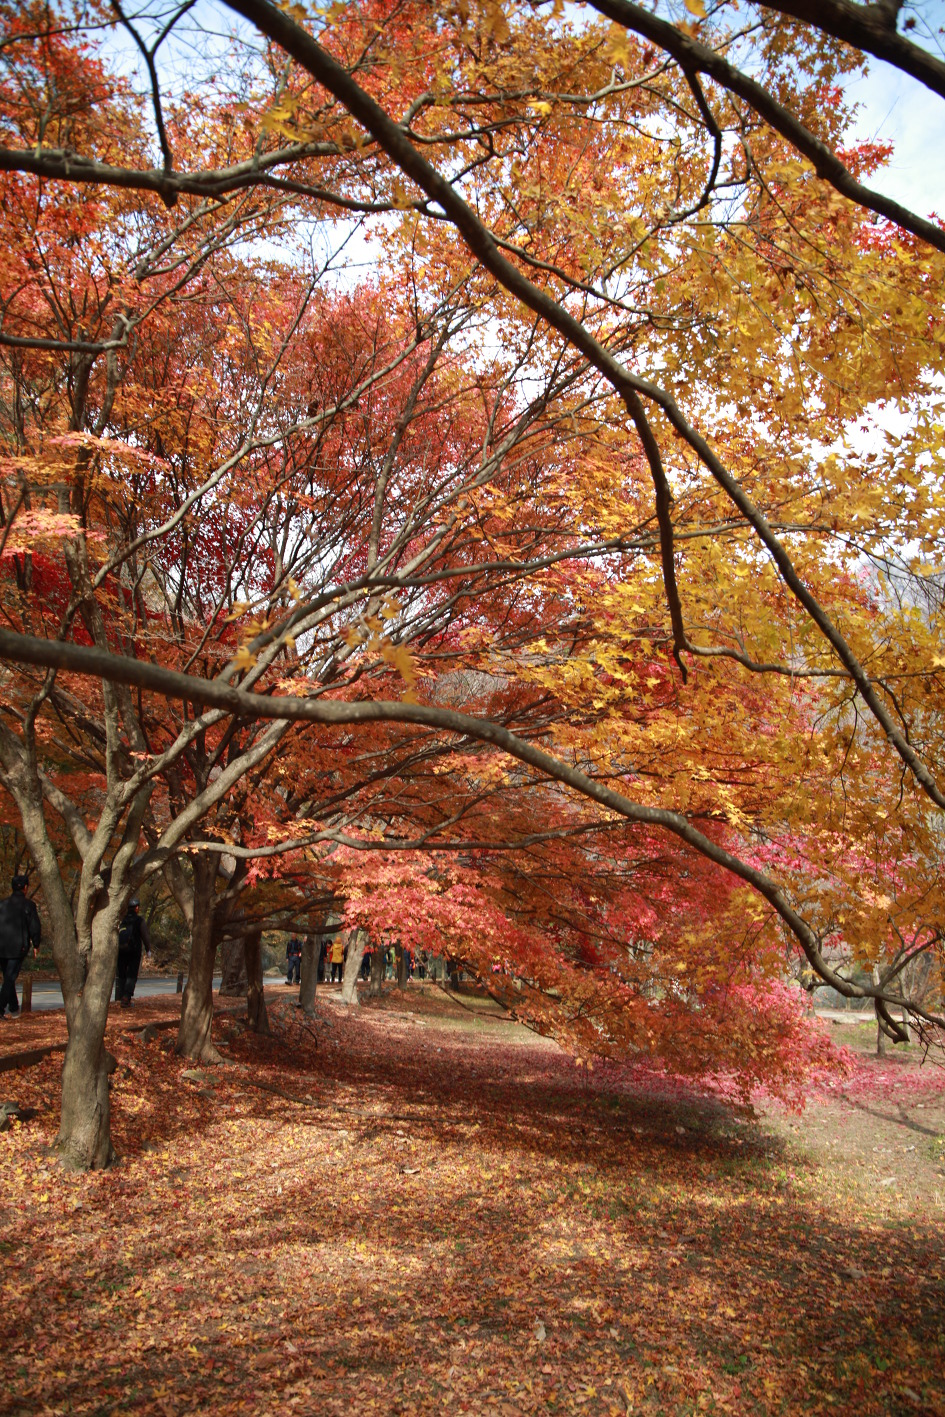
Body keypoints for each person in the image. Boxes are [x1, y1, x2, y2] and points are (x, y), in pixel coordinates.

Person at [0, 875, 41, 1020]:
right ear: (25, 888)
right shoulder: (28, 905)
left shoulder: (2, 904)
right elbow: (34, 926)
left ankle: (14, 1009)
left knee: (8, 977)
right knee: (10, 978)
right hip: (18, 947)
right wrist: (36, 943)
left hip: (2, 946)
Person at [114, 898, 152, 1008]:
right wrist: (148, 949)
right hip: (134, 951)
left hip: (121, 950)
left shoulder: (122, 920)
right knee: (131, 974)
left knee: (122, 974)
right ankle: (126, 998)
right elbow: (145, 935)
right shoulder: (139, 920)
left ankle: (122, 997)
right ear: (136, 908)